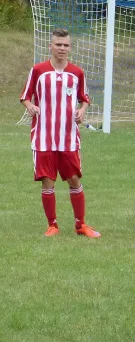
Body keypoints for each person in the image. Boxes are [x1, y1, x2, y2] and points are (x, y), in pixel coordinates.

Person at [20, 28, 101, 238]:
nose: (62, 48)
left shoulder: (77, 73)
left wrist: (82, 110)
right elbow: (25, 96)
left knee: (74, 179)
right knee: (48, 180)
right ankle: (52, 225)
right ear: (51, 46)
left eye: (66, 45)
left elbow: (84, 98)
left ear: (70, 47)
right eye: (58, 44)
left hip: (68, 137)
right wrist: (30, 106)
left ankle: (81, 224)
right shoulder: (38, 71)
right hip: (43, 136)